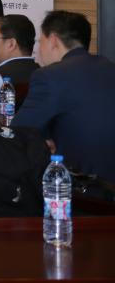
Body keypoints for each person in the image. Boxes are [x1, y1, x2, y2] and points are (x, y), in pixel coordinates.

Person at [14, 10, 115, 181]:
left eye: (40, 41)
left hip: (82, 186)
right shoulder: (109, 67)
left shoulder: (49, 76)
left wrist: (43, 142)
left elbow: (18, 132)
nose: (39, 49)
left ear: (53, 40)